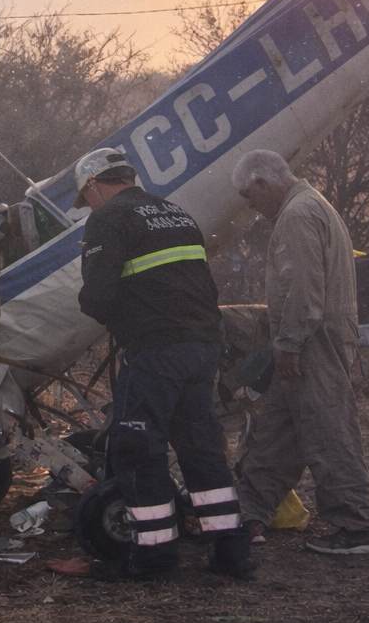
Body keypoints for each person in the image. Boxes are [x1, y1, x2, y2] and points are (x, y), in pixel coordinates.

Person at [63, 146, 255, 582]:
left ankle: (154, 558)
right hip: (202, 345)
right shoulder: (174, 213)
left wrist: (121, 322)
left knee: (137, 448)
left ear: (95, 185)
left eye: (85, 197)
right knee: (201, 445)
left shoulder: (109, 217)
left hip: (155, 350)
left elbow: (96, 296)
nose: (88, 205)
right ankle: (230, 551)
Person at [231, 150, 369, 556]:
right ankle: (250, 513)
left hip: (310, 341)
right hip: (314, 337)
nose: (253, 206)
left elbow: (302, 286)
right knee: (278, 431)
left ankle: (358, 528)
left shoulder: (297, 215)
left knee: (327, 430)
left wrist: (289, 342)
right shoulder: (311, 205)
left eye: (251, 197)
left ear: (264, 184)